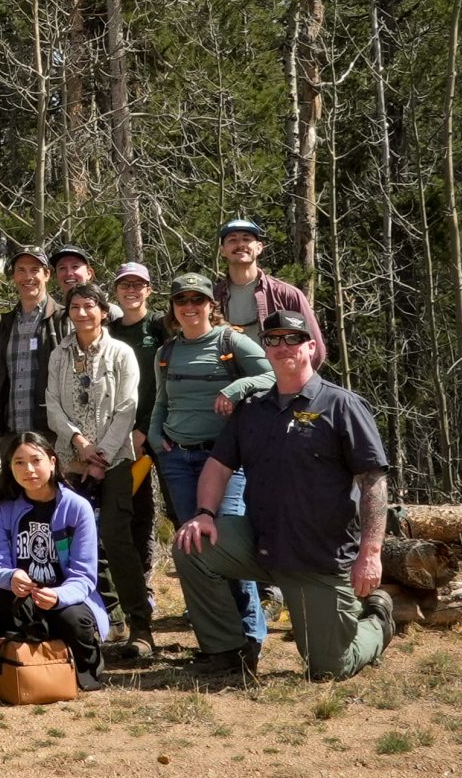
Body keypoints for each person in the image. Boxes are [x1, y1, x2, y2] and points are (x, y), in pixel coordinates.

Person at [173, 312, 393, 682]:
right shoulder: (253, 409)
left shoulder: (341, 405)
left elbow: (373, 481)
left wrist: (370, 554)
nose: (282, 346)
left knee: (329, 669)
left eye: (292, 339)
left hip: (317, 558)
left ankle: (377, 622)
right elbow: (218, 466)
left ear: (311, 347)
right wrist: (205, 513)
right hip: (262, 544)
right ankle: (229, 651)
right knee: (190, 546)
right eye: (273, 339)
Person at [147, 273, 275, 657]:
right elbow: (161, 401)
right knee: (197, 549)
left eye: (197, 300)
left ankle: (251, 636)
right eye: (181, 301)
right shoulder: (166, 352)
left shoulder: (229, 341)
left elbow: (273, 374)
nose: (189, 307)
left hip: (224, 461)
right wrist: (156, 437)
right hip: (178, 460)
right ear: (173, 307)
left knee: (226, 544)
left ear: (210, 304)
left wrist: (236, 388)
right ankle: (223, 640)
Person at [45, 282, 150, 655]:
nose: (82, 313)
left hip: (116, 459)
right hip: (70, 458)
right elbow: (52, 404)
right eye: (75, 307)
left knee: (116, 537)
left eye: (90, 306)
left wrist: (101, 454)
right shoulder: (59, 355)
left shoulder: (121, 353)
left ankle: (141, 625)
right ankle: (105, 617)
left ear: (103, 311)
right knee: (72, 541)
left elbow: (128, 406)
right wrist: (80, 444)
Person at [0, 430, 107, 693]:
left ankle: (83, 674)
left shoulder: (77, 508)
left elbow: (85, 576)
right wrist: (11, 578)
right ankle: (11, 671)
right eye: (19, 462)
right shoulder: (3, 511)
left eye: (36, 460)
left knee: (74, 619)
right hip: (23, 596)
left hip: (66, 597)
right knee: (4, 601)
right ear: (10, 468)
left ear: (52, 461)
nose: (28, 469)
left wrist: (58, 595)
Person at [0, 242, 64, 536]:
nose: (28, 277)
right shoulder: (6, 323)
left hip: (49, 432)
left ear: (47, 275)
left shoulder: (62, 319)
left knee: (54, 504)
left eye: (34, 270)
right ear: (14, 276)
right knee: (15, 505)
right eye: (21, 270)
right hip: (11, 431)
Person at [107, 261, 165, 636]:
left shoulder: (159, 326)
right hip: (120, 436)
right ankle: (137, 583)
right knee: (134, 508)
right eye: (125, 284)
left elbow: (164, 380)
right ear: (116, 291)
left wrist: (145, 428)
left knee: (173, 509)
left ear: (148, 290)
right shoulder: (109, 330)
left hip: (158, 429)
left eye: (138, 285)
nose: (131, 290)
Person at [216, 218, 330, 366]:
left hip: (276, 383)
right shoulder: (213, 297)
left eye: (246, 239)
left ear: (259, 248)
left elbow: (316, 350)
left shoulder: (287, 295)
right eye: (232, 240)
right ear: (222, 251)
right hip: (227, 383)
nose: (240, 244)